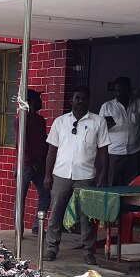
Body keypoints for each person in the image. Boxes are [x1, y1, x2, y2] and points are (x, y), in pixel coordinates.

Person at [43, 87, 109, 265]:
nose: (81, 101)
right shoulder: (60, 122)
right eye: (77, 98)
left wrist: (103, 172)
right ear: (71, 101)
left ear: (88, 101)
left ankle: (88, 250)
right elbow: (52, 150)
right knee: (56, 211)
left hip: (86, 175)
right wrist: (47, 175)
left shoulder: (98, 121)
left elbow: (103, 150)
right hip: (61, 174)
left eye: (84, 98)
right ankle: (51, 247)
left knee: (87, 215)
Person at [99, 76, 140, 186]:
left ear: (129, 90)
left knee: (132, 185)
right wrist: (105, 126)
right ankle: (113, 204)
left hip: (134, 153)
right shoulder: (107, 106)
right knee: (112, 184)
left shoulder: (138, 103)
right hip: (114, 153)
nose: (117, 94)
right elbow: (101, 129)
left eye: (121, 90)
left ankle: (128, 204)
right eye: (116, 91)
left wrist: (137, 92)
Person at [19, 89, 51, 235]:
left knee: (45, 193)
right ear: (31, 101)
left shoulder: (40, 120)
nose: (41, 102)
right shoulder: (21, 120)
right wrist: (32, 162)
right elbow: (22, 145)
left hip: (40, 165)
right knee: (21, 198)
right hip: (26, 166)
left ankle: (38, 225)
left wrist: (43, 162)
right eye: (38, 98)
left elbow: (44, 143)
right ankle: (18, 227)